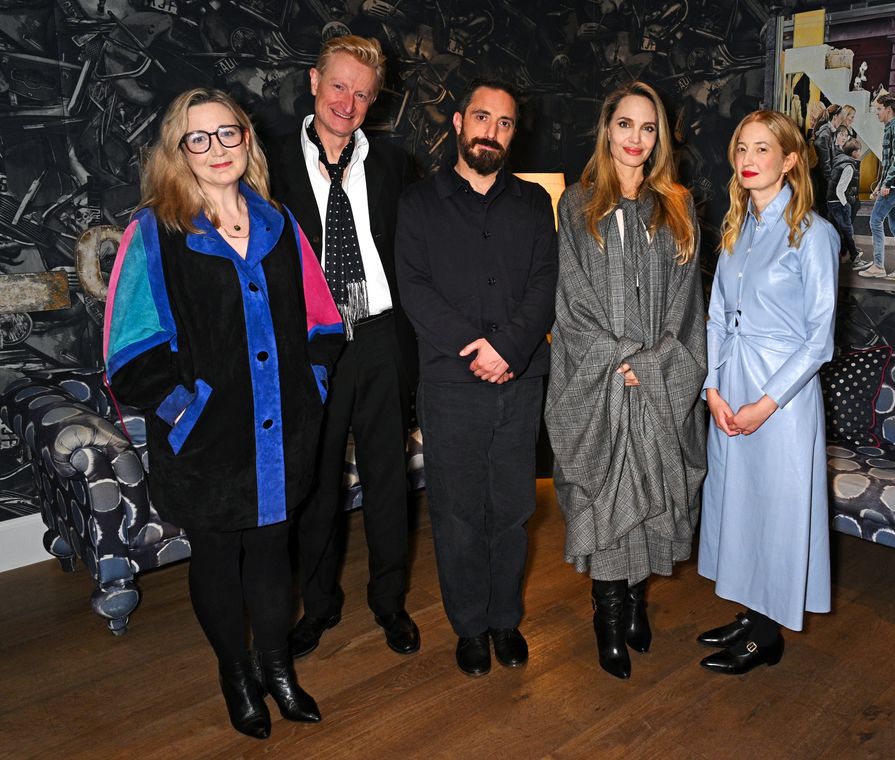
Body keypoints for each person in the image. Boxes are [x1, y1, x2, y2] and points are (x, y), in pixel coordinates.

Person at [104, 88, 344, 737]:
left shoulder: (280, 225)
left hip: (283, 434)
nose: (215, 149)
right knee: (217, 559)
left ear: (247, 139)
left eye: (227, 133)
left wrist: (310, 384)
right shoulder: (154, 231)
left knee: (273, 555)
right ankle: (236, 676)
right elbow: (129, 352)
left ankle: (278, 671)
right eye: (198, 137)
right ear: (178, 150)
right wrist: (188, 413)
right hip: (207, 444)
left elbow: (325, 323)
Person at [265, 35, 421, 660]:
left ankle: (390, 603)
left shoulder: (393, 165)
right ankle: (320, 606)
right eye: (339, 86)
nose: (348, 102)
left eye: (362, 93)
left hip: (381, 338)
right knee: (317, 484)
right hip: (311, 347)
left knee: (389, 480)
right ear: (313, 81)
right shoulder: (265, 163)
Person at [395, 79, 558, 677]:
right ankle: (469, 627)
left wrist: (508, 348)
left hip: (519, 380)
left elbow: (545, 284)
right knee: (459, 513)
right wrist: (476, 350)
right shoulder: (418, 203)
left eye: (505, 123)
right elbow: (413, 287)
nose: (491, 131)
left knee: (513, 508)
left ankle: (503, 621)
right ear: (460, 122)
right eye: (482, 118)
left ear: (515, 133)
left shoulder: (535, 203)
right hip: (449, 381)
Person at [545, 81, 707, 680]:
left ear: (658, 137)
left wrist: (660, 360)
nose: (636, 139)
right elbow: (573, 300)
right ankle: (607, 618)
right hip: (602, 383)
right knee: (608, 494)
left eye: (648, 128)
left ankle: (637, 601)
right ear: (606, 129)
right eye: (625, 125)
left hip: (660, 379)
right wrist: (617, 358)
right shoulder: (577, 205)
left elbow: (690, 301)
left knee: (653, 493)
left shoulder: (679, 206)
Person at [698, 109, 838, 675]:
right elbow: (713, 317)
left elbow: (819, 340)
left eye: (762, 149)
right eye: (742, 150)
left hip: (781, 398)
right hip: (731, 387)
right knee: (739, 504)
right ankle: (751, 613)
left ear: (789, 160)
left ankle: (767, 635)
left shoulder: (814, 233)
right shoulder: (737, 229)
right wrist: (711, 386)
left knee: (776, 512)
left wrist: (765, 403)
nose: (749, 161)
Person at [858, 94, 895, 281]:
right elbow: (889, 162)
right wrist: (880, 184)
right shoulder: (892, 128)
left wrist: (887, 184)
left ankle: (878, 266)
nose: (876, 113)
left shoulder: (894, 128)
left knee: (875, 221)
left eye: (879, 109)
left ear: (889, 109)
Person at [827, 136, 863, 264]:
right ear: (853, 152)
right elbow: (840, 189)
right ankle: (855, 257)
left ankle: (843, 252)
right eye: (859, 150)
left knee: (838, 229)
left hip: (831, 201)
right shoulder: (848, 167)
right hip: (838, 202)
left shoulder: (840, 161)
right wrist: (845, 204)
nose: (860, 153)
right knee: (847, 230)